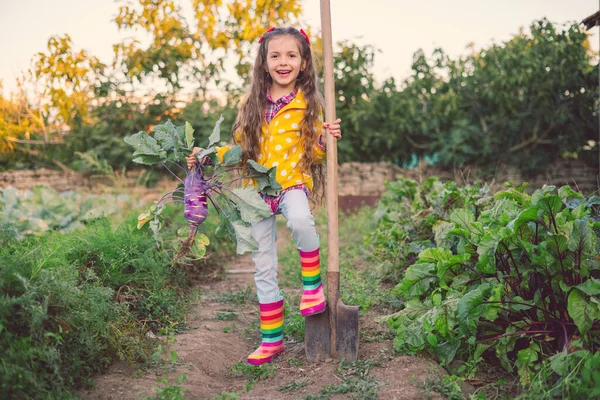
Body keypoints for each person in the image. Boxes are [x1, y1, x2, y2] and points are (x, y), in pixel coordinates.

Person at [186, 26, 341, 365]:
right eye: (275, 55)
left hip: (291, 183)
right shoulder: (253, 104)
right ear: (264, 62)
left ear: (303, 64)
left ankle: (312, 286)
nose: (283, 62)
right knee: (263, 264)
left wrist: (325, 143)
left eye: (291, 55)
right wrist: (209, 154)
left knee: (301, 220)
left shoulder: (310, 105)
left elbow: (314, 155)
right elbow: (241, 150)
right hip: (255, 193)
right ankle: (272, 339)